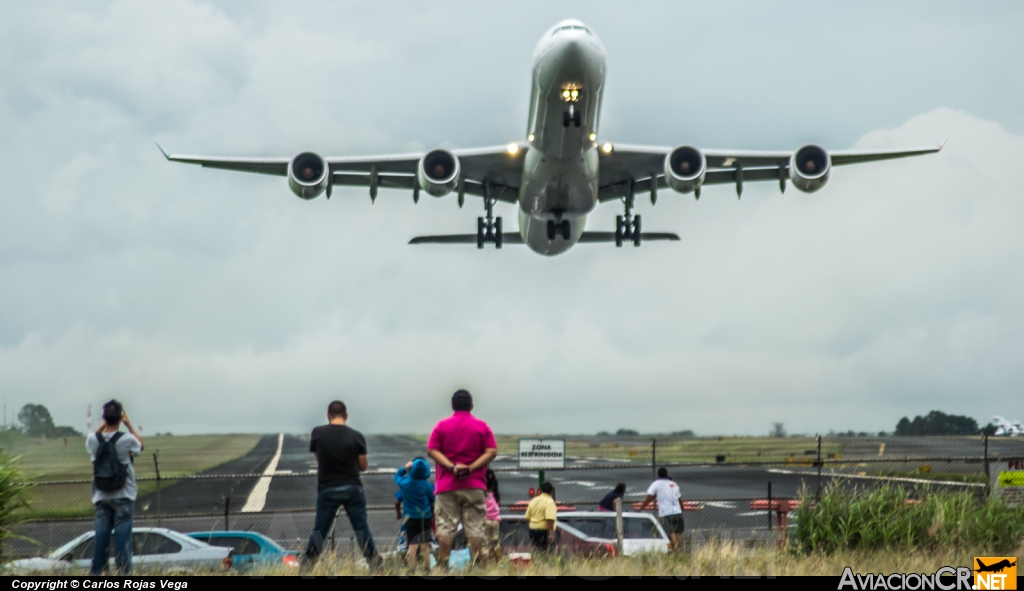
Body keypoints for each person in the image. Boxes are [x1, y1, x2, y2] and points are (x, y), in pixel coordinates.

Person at [303, 401, 379, 569]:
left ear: (328, 416)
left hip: (327, 487)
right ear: (346, 416)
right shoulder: (357, 436)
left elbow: (320, 459)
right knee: (361, 529)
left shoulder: (317, 433)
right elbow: (363, 466)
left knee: (320, 531)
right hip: (352, 486)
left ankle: (307, 566)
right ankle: (375, 564)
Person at [427, 389, 497, 567]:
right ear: (471, 406)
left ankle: (443, 565)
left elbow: (432, 450)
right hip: (475, 485)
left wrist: (451, 467)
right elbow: (492, 451)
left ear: (452, 406)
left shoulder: (441, 425)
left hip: (447, 485)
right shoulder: (482, 426)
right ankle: (480, 565)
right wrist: (471, 468)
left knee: (445, 527)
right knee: (475, 528)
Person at [86, 399, 143, 575]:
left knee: (101, 538)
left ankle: (98, 573)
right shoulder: (126, 439)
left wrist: (104, 424)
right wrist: (128, 423)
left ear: (104, 417)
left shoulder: (93, 439)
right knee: (123, 539)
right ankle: (124, 574)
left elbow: (92, 438)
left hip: (101, 496)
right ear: (120, 417)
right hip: (124, 494)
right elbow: (140, 446)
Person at [394, 457, 435, 570]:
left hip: (410, 517)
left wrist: (405, 469)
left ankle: (411, 568)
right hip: (425, 517)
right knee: (425, 544)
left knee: (412, 544)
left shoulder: (405, 484)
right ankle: (427, 568)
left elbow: (397, 476)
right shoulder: (426, 485)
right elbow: (433, 498)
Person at [640, 467, 685, 550]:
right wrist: (682, 509)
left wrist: (641, 508)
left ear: (658, 475)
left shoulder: (657, 483)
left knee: (669, 535)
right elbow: (680, 499)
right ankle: (678, 551)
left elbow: (649, 497)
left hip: (666, 514)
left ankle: (675, 552)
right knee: (677, 535)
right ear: (667, 474)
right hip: (678, 513)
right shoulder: (674, 484)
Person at [525, 482, 557, 552]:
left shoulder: (533, 500)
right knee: (548, 552)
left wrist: (532, 527)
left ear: (541, 490)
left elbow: (527, 517)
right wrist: (551, 534)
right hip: (543, 531)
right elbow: (550, 519)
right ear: (551, 491)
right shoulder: (549, 502)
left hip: (533, 531)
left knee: (539, 550)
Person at [484, 469, 501, 557]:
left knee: (485, 544)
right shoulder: (496, 495)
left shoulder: (483, 495)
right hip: (496, 520)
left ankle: (484, 563)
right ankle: (498, 561)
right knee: (495, 542)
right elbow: (499, 505)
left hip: (486, 521)